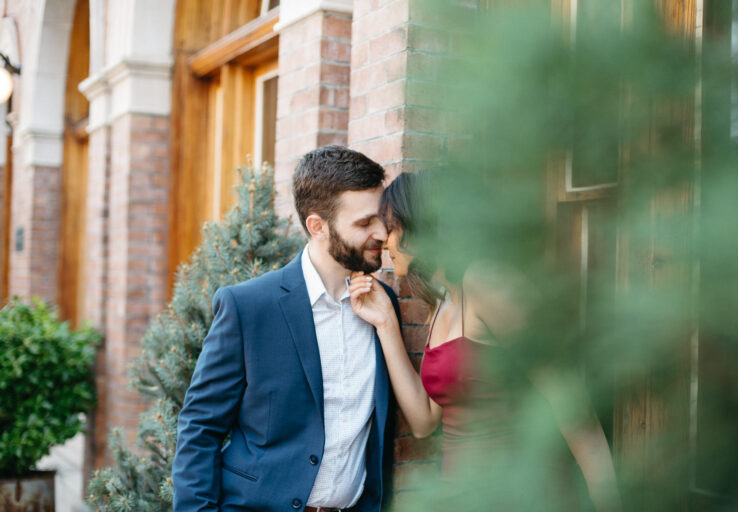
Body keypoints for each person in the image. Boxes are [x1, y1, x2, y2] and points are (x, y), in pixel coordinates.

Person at [349, 171, 622, 510]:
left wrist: (608, 501)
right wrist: (385, 323)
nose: (384, 241)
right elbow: (423, 422)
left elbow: (567, 399)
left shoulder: (487, 281)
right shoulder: (442, 303)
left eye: (390, 228)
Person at [173, 145, 401, 512]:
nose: (381, 234)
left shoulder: (383, 306)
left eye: (381, 219)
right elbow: (201, 427)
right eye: (363, 223)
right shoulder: (248, 306)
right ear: (317, 227)